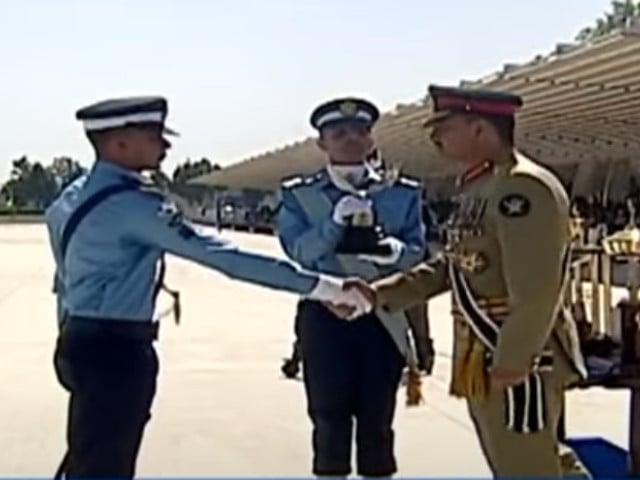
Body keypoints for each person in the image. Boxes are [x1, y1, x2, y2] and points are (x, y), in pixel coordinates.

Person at [45, 96, 369, 479]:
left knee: (87, 457)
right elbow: (226, 258)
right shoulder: (134, 206)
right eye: (154, 137)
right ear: (119, 144)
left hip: (77, 339)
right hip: (115, 353)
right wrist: (327, 288)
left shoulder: (73, 196)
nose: (165, 145)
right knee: (106, 467)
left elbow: (62, 275)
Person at [340, 85, 589, 478]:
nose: (435, 136)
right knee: (537, 461)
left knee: (526, 468)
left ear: (479, 128)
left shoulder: (522, 188)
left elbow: (538, 289)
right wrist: (379, 293)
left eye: (445, 126)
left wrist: (512, 359)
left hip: (515, 356)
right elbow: (455, 267)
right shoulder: (481, 186)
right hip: (485, 353)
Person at [277, 97, 426, 478]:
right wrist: (333, 222)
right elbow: (299, 252)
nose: (350, 139)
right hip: (325, 317)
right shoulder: (299, 195)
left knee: (378, 421)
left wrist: (393, 254)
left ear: (372, 139)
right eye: (338, 133)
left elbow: (418, 254)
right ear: (321, 143)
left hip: (381, 316)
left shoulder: (402, 193)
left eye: (360, 131)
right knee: (329, 419)